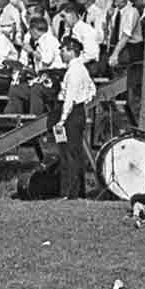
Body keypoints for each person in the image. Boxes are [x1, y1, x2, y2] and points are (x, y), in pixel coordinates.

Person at [56, 37, 98, 199]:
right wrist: (84, 100)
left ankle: (71, 191)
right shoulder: (81, 69)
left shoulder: (74, 71)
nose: (61, 53)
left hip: (72, 113)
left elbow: (70, 98)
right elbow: (92, 89)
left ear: (72, 51)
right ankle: (77, 190)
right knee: (75, 151)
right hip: (78, 111)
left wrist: (63, 118)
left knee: (70, 152)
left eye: (64, 50)